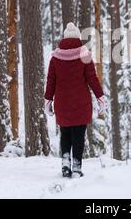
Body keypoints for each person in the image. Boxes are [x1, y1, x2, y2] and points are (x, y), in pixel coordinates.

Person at [44, 22, 106, 178]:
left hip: (62, 103)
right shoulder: (84, 55)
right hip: (81, 103)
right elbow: (92, 78)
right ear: (78, 37)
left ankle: (65, 164)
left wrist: (48, 101)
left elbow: (51, 81)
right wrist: (100, 97)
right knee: (78, 135)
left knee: (65, 134)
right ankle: (77, 168)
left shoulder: (55, 58)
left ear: (64, 38)